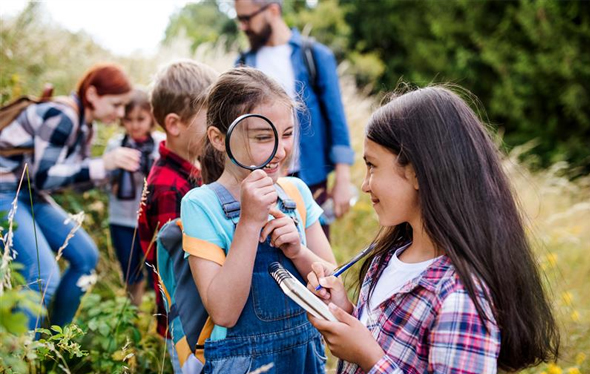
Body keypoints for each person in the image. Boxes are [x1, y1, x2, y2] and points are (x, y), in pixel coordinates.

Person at [306, 86, 560, 373]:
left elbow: (377, 354)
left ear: (415, 171)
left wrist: (370, 360)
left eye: (372, 166)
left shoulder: (461, 299)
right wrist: (346, 311)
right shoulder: (389, 257)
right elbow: (390, 338)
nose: (365, 184)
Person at [181, 67, 336, 374]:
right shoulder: (201, 205)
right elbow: (224, 312)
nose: (280, 151)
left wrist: (298, 252)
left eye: (288, 134)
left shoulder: (296, 193)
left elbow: (333, 289)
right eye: (264, 137)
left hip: (305, 360)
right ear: (218, 139)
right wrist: (249, 224)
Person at [0, 63, 138, 330]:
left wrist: (108, 175)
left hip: (28, 193)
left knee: (86, 256)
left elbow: (66, 181)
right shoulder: (63, 115)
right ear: (93, 94)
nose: (120, 113)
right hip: (5, 190)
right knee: (43, 274)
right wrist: (102, 164)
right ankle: (23, 358)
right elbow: (45, 177)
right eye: (116, 104)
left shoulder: (86, 128)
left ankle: (54, 340)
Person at [234, 0, 355, 240]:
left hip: (312, 178)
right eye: (240, 19)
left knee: (315, 252)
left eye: (247, 18)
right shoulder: (243, 64)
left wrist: (342, 177)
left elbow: (336, 117)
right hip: (263, 177)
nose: (243, 26)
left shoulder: (315, 55)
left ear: (273, 11)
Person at [136, 60, 218, 373]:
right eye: (208, 119)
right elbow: (181, 268)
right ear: (174, 124)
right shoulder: (169, 187)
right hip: (190, 324)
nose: (216, 129)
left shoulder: (191, 171)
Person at [104, 88, 164, 306]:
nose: (135, 125)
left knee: (157, 274)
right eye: (129, 120)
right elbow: (104, 182)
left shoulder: (160, 144)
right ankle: (133, 315)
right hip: (122, 219)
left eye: (141, 119)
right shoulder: (116, 145)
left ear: (151, 118)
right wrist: (117, 176)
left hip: (152, 220)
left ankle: (158, 317)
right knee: (130, 271)